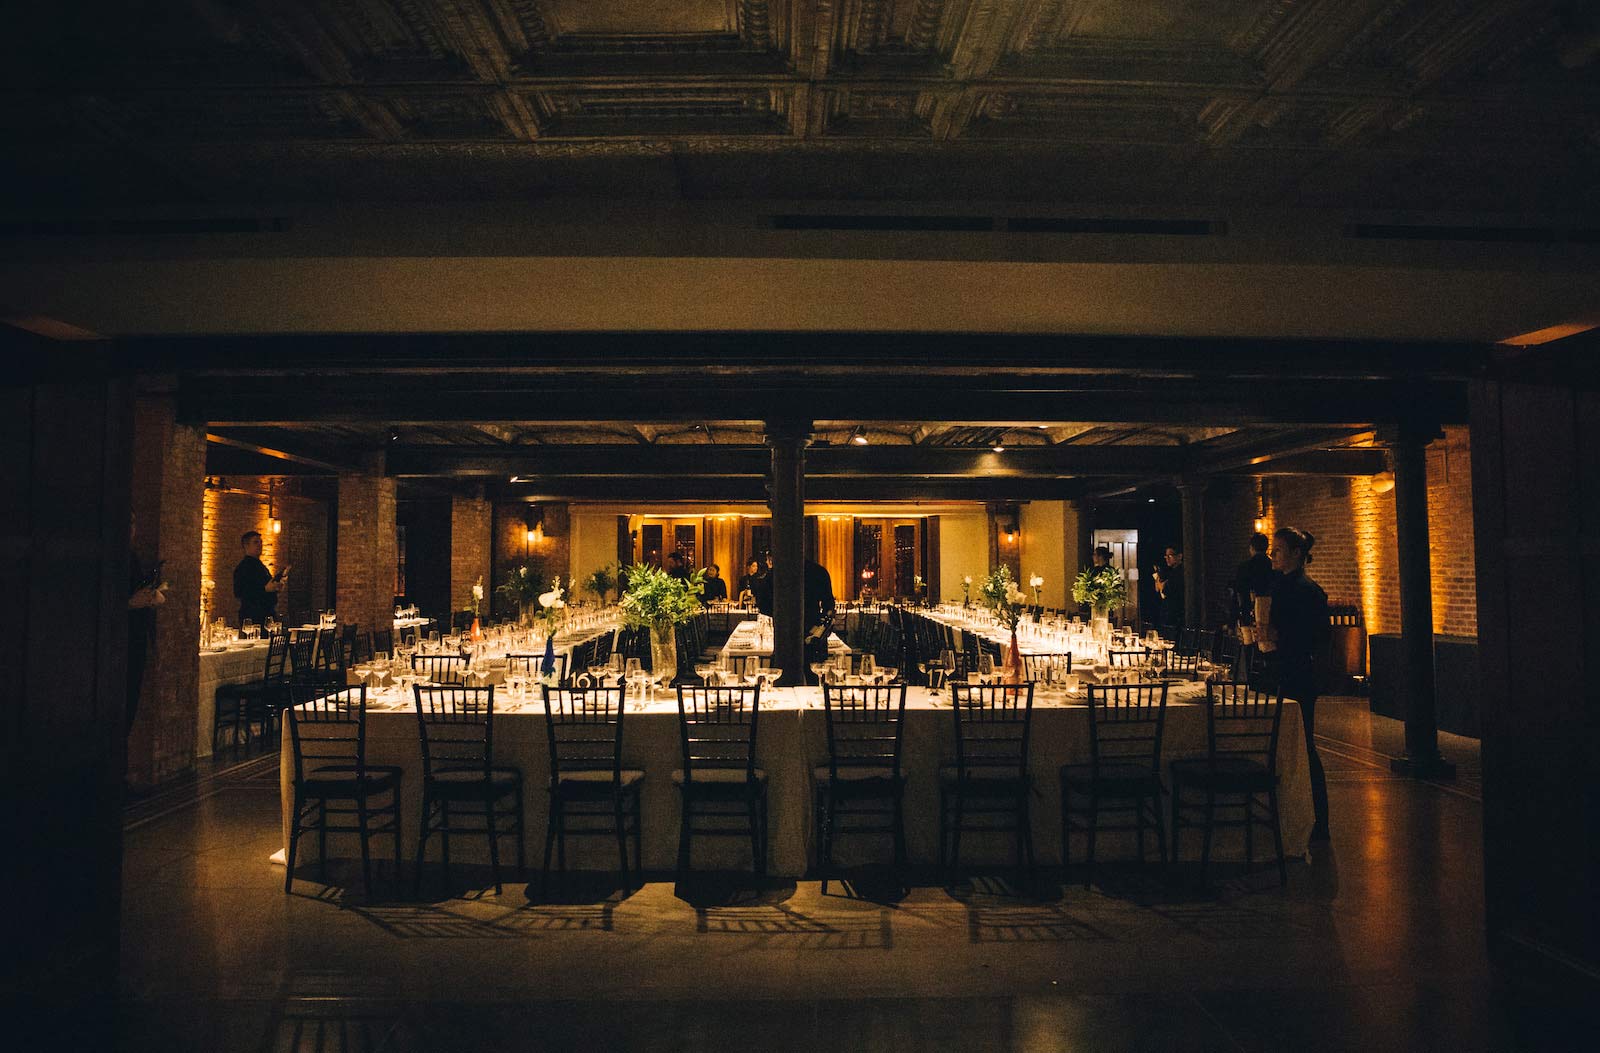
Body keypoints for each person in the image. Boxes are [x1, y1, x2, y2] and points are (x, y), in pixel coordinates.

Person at [1260, 526, 1331, 842]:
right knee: (1283, 744)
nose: (1273, 554)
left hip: (1297, 674)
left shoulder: (1308, 590)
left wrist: (1278, 636)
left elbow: (1318, 638)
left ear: (1296, 554)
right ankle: (1288, 813)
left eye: (1278, 549)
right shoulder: (1280, 584)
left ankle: (1319, 819)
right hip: (1279, 670)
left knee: (1304, 744)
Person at [126, 512, 165, 735]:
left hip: (136, 638)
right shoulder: (112, 558)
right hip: (120, 641)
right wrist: (131, 602)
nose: (132, 528)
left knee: (131, 699)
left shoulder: (132, 556)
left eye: (133, 522)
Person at [233, 530, 287, 627]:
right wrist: (265, 589)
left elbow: (267, 586)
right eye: (255, 542)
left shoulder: (261, 566)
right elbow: (239, 592)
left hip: (267, 613)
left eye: (260, 542)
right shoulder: (243, 568)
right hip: (253, 616)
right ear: (246, 546)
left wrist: (276, 587)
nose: (260, 545)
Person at [1233, 532, 1276, 627]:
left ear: (1252, 547)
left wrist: (1233, 619)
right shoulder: (1274, 566)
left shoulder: (1245, 567)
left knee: (1249, 640)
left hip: (1248, 612)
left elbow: (1239, 592)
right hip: (1271, 613)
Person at [1154, 546, 1185, 627]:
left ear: (1179, 556)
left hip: (1175, 613)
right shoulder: (1171, 572)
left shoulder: (1179, 572)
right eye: (1166, 556)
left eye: (1170, 556)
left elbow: (1165, 591)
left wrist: (1161, 584)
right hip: (1169, 612)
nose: (1167, 559)